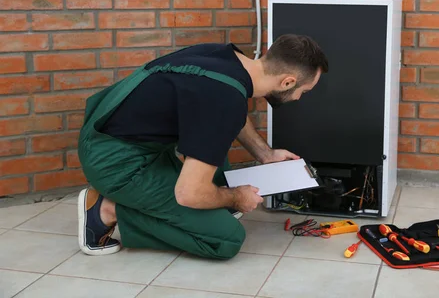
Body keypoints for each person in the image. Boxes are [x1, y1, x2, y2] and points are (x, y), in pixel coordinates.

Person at [76, 34, 328, 260]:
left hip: (118, 137)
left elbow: (230, 110)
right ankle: (107, 209)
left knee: (218, 173)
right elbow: (189, 193)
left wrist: (266, 154)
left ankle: (187, 199)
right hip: (115, 163)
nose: (298, 98)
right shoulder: (225, 101)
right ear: (287, 82)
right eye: (303, 91)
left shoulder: (227, 58)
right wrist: (236, 197)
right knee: (225, 239)